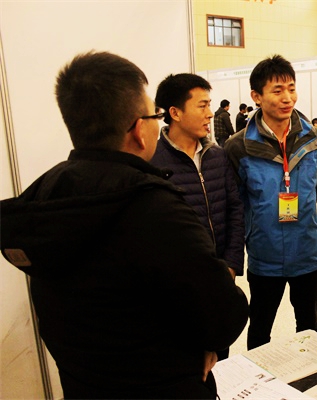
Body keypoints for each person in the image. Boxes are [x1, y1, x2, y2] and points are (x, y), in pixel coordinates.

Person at [0, 51, 249, 399]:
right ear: (138, 130)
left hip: (83, 384)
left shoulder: (45, 195)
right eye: (155, 116)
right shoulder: (154, 205)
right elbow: (223, 317)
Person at [224, 54, 317, 350]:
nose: (287, 98)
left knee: (310, 328)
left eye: (291, 89)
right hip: (264, 255)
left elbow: (316, 188)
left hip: (307, 252)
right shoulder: (238, 146)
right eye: (277, 90)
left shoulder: (314, 139)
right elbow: (237, 204)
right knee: (260, 330)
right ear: (256, 96)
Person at [150, 73, 246, 361]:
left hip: (221, 279)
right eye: (202, 106)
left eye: (210, 105)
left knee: (221, 357)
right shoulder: (153, 162)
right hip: (181, 289)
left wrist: (231, 265)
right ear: (175, 113)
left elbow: (234, 209)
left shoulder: (217, 156)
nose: (210, 114)